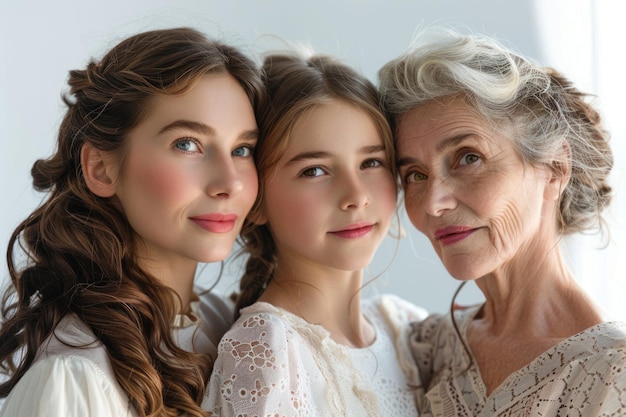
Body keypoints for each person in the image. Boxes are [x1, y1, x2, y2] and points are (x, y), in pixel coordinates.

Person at [0, 27, 265, 416]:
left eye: (242, 149)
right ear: (102, 169)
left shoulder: (228, 326)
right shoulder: (72, 378)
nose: (230, 182)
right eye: (187, 144)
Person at [378, 28, 626, 416]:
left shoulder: (614, 377)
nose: (433, 202)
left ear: (555, 168)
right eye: (415, 175)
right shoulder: (421, 348)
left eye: (468, 158)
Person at [203, 50, 427, 416]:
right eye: (315, 171)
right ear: (256, 200)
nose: (356, 196)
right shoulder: (266, 349)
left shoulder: (406, 329)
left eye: (371, 162)